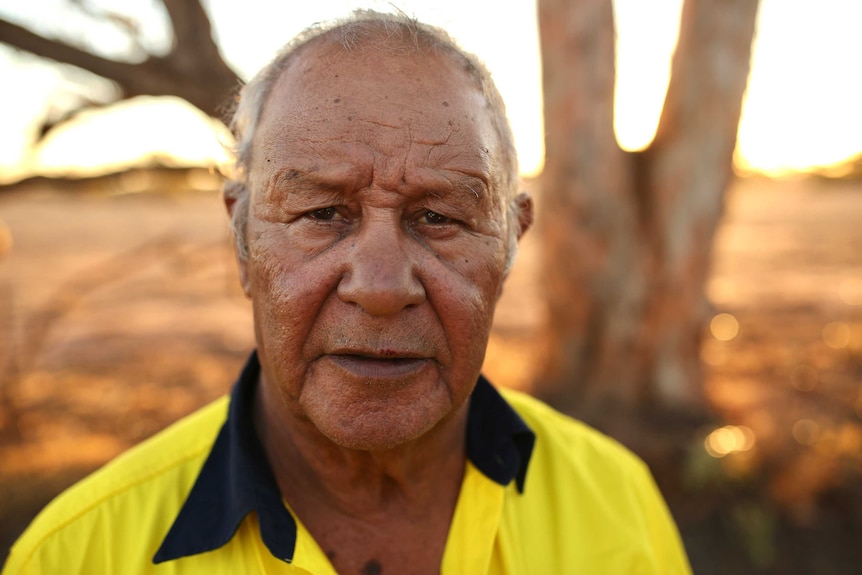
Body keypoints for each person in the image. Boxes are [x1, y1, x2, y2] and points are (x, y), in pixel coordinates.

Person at [2, 10, 692, 575]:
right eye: (322, 213)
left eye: (439, 217)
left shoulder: (615, 506)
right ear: (243, 241)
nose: (382, 287)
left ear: (511, 245)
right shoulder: (79, 554)